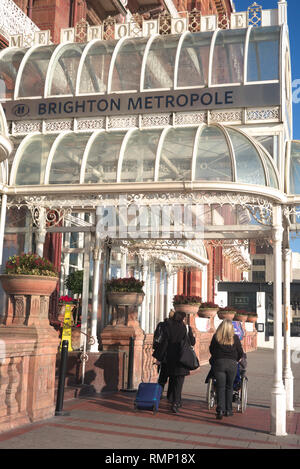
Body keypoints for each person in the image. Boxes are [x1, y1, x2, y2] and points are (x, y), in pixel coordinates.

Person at [153, 311, 195, 414]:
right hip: (181, 359)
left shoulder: (168, 328)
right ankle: (175, 403)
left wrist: (159, 358)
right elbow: (192, 342)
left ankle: (156, 400)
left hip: (168, 360)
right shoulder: (186, 328)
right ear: (182, 319)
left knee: (162, 380)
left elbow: (164, 344)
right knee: (178, 383)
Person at [209, 319, 244, 420]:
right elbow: (240, 352)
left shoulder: (216, 337)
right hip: (232, 364)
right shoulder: (235, 338)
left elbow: (211, 350)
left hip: (219, 363)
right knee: (229, 387)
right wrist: (236, 359)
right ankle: (228, 410)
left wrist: (217, 356)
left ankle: (220, 410)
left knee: (220, 387)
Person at [152, 310, 174, 391]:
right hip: (170, 356)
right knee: (171, 377)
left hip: (162, 355)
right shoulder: (173, 327)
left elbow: (156, 338)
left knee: (162, 376)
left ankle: (159, 393)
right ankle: (170, 396)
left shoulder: (161, 325)